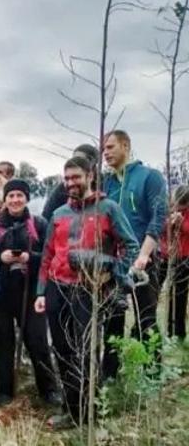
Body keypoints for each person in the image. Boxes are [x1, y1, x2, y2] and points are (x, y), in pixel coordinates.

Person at [34, 155, 139, 429]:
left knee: (86, 351)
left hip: (87, 290)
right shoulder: (58, 214)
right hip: (57, 288)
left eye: (76, 177)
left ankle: (89, 411)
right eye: (66, 178)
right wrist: (40, 292)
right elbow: (47, 255)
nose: (70, 183)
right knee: (62, 350)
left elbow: (131, 246)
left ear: (90, 175)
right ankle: (71, 409)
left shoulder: (108, 209)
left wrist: (111, 270)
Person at [0, 179, 59, 406]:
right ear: (5, 200)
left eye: (19, 195)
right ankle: (5, 391)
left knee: (37, 341)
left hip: (32, 293)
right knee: (3, 343)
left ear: (26, 198)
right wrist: (0, 258)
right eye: (11, 196)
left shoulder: (39, 223)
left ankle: (49, 390)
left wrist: (31, 258)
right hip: (1, 295)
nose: (15, 200)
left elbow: (51, 256)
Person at [101, 130, 168, 376]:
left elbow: (158, 216)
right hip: (114, 262)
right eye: (103, 149)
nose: (105, 153)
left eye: (110, 147)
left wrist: (144, 254)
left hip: (143, 258)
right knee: (112, 317)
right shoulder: (106, 183)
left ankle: (151, 374)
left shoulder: (149, 177)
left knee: (146, 317)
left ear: (126, 145)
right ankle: (109, 374)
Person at [41, 144, 99, 222]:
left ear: (93, 162)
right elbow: (46, 216)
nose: (75, 163)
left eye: (80, 159)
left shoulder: (104, 184)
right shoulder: (64, 188)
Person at [162, 185, 189, 339]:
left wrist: (182, 222)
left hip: (184, 257)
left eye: (181, 205)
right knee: (162, 291)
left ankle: (178, 332)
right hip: (168, 255)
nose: (177, 207)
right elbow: (162, 231)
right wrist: (170, 223)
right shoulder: (169, 209)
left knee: (179, 294)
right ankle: (167, 329)